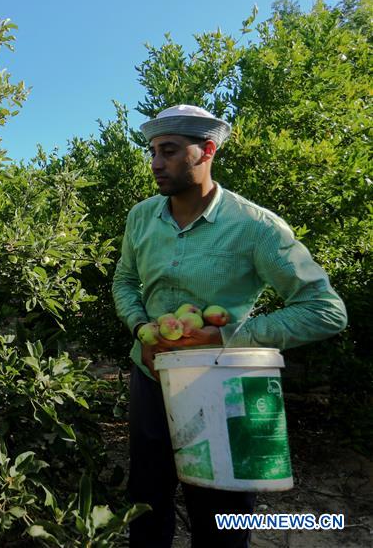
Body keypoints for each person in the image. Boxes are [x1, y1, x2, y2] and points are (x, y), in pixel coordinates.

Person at [112, 104, 348, 548]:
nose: (155, 163)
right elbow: (125, 279)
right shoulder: (141, 217)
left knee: (221, 513)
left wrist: (226, 336)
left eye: (169, 151)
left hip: (224, 387)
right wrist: (140, 328)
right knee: (146, 500)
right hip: (151, 379)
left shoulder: (254, 227)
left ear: (206, 151)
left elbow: (326, 309)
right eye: (152, 151)